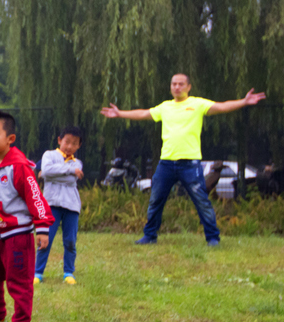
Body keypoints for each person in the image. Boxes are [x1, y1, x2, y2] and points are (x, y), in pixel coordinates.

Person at [100, 74, 266, 245]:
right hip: (166, 164)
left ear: (188, 87)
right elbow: (143, 113)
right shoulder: (165, 107)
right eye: (174, 84)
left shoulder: (198, 104)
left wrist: (243, 102)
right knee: (156, 199)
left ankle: (212, 238)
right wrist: (120, 113)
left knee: (201, 200)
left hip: (190, 164)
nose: (177, 87)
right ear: (170, 87)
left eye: (181, 84)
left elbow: (222, 107)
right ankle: (149, 236)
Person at [0, 111, 54, 322]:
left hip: (17, 235)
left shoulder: (20, 167)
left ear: (10, 138)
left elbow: (36, 198)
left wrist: (42, 228)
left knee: (18, 281)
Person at [36, 126, 83, 285]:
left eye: (74, 143)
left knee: (70, 240)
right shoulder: (49, 155)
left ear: (78, 146)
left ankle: (68, 272)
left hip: (72, 206)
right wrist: (70, 171)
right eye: (67, 142)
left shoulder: (78, 162)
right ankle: (38, 273)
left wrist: (50, 174)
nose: (70, 146)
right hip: (51, 204)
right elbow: (46, 170)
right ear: (59, 140)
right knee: (45, 239)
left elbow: (55, 176)